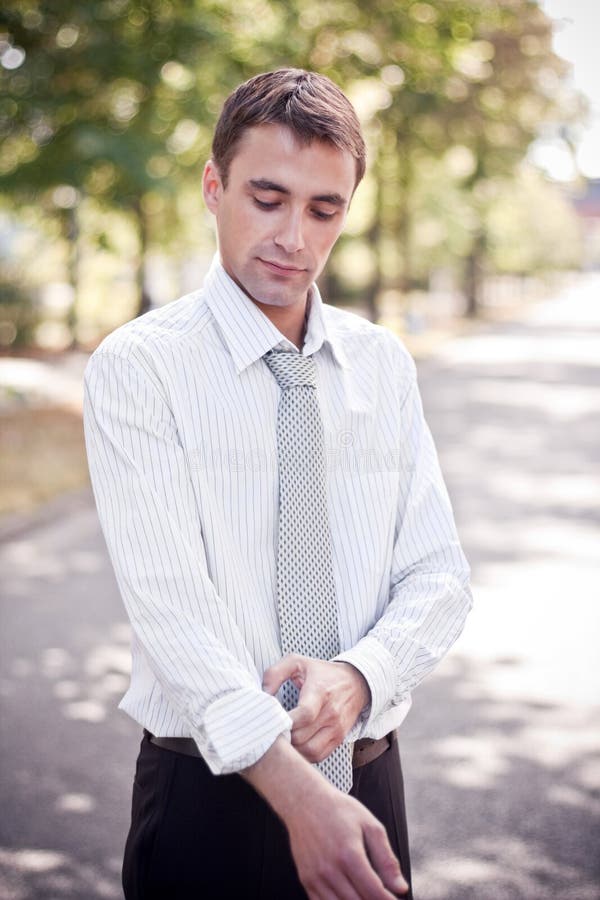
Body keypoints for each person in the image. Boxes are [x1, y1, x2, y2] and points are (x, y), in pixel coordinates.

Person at [83, 68, 472, 900]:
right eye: (267, 197)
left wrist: (361, 674)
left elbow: (439, 577)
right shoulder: (139, 368)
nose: (294, 235)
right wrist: (298, 794)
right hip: (206, 801)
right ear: (214, 187)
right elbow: (171, 609)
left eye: (323, 209)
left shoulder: (382, 364)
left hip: (369, 786)